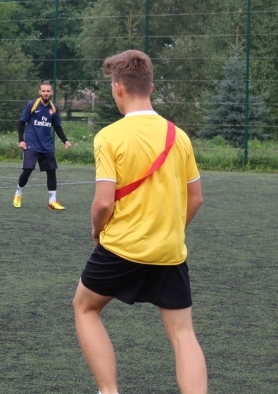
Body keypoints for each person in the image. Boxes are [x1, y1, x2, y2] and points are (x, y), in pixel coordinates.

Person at [72, 50, 207, 394]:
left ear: (118, 87)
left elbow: (104, 202)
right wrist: (170, 231)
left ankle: (109, 391)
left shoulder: (109, 136)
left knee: (85, 308)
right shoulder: (179, 136)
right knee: (183, 334)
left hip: (121, 248)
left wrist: (96, 230)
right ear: (151, 87)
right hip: (169, 251)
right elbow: (196, 198)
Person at [13, 80, 71, 210]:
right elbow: (22, 122)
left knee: (51, 172)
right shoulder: (32, 105)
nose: (45, 93)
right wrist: (21, 140)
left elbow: (57, 127)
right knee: (28, 170)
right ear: (40, 92)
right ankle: (18, 193)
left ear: (52, 92)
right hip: (31, 144)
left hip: (47, 146)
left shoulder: (54, 108)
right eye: (43, 91)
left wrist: (65, 141)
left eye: (48, 91)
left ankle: (52, 201)